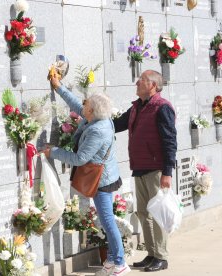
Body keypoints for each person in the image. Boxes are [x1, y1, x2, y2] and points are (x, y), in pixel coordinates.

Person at [42, 73, 131, 276]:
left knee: (107, 220)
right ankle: (111, 260)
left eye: (86, 104)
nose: (83, 105)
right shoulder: (99, 118)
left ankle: (120, 263)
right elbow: (76, 105)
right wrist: (59, 87)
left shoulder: (98, 130)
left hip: (101, 180)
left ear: (91, 111)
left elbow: (80, 158)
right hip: (104, 176)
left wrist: (53, 152)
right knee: (106, 218)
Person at [113, 70, 177, 272]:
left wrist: (167, 171)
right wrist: (91, 119)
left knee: (157, 214)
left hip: (156, 169)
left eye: (141, 80)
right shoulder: (136, 107)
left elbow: (169, 141)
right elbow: (117, 124)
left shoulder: (162, 108)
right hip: (140, 167)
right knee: (143, 213)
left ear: (153, 86)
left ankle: (161, 256)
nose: (137, 83)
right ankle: (152, 254)